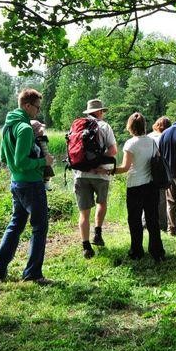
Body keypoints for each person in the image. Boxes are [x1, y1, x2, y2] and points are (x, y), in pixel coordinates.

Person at [0, 89, 54, 284]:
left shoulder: (8, 125)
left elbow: (4, 157)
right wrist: (44, 161)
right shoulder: (25, 129)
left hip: (16, 183)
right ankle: (33, 273)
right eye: (36, 107)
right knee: (39, 227)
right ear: (27, 106)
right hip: (31, 183)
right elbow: (20, 162)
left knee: (16, 224)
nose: (38, 112)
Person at [109, 113, 165, 261]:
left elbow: (126, 167)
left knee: (134, 220)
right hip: (151, 186)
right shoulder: (152, 142)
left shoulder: (130, 143)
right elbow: (156, 159)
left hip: (135, 186)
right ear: (144, 126)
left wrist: (111, 170)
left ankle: (136, 251)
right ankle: (157, 251)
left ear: (130, 126)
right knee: (152, 219)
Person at [73, 99, 118, 259]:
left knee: (84, 213)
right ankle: (97, 233)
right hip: (100, 174)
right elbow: (113, 150)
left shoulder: (77, 125)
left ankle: (86, 246)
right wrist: (98, 160)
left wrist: (87, 163)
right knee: (102, 203)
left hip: (81, 174)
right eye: (102, 111)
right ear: (99, 112)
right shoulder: (104, 126)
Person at [148, 116, 171, 231]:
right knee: (162, 199)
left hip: (147, 171)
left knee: (146, 198)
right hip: (159, 171)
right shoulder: (164, 137)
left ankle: (145, 223)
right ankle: (162, 224)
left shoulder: (148, 136)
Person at [30, 120, 55, 188]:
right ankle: (45, 184)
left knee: (48, 171)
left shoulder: (40, 139)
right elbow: (44, 150)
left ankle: (46, 183)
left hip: (43, 158)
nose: (42, 131)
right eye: (40, 129)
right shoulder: (36, 140)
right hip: (42, 158)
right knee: (47, 171)